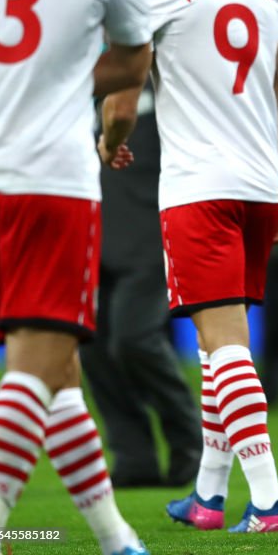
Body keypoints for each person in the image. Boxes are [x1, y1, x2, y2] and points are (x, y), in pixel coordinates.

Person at [101, 0, 278, 533]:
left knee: (224, 347)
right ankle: (208, 496)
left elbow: (126, 82)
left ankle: (270, 502)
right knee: (217, 345)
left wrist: (113, 133)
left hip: (197, 187)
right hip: (257, 185)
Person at [0, 0, 152, 555]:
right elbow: (134, 56)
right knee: (39, 361)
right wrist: (69, 76)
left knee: (55, 367)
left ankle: (115, 538)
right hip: (50, 171)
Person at [80, 80, 202, 489]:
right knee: (93, 346)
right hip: (94, 237)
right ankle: (134, 455)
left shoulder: (171, 91)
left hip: (153, 237)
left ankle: (190, 442)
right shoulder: (83, 96)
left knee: (133, 339)